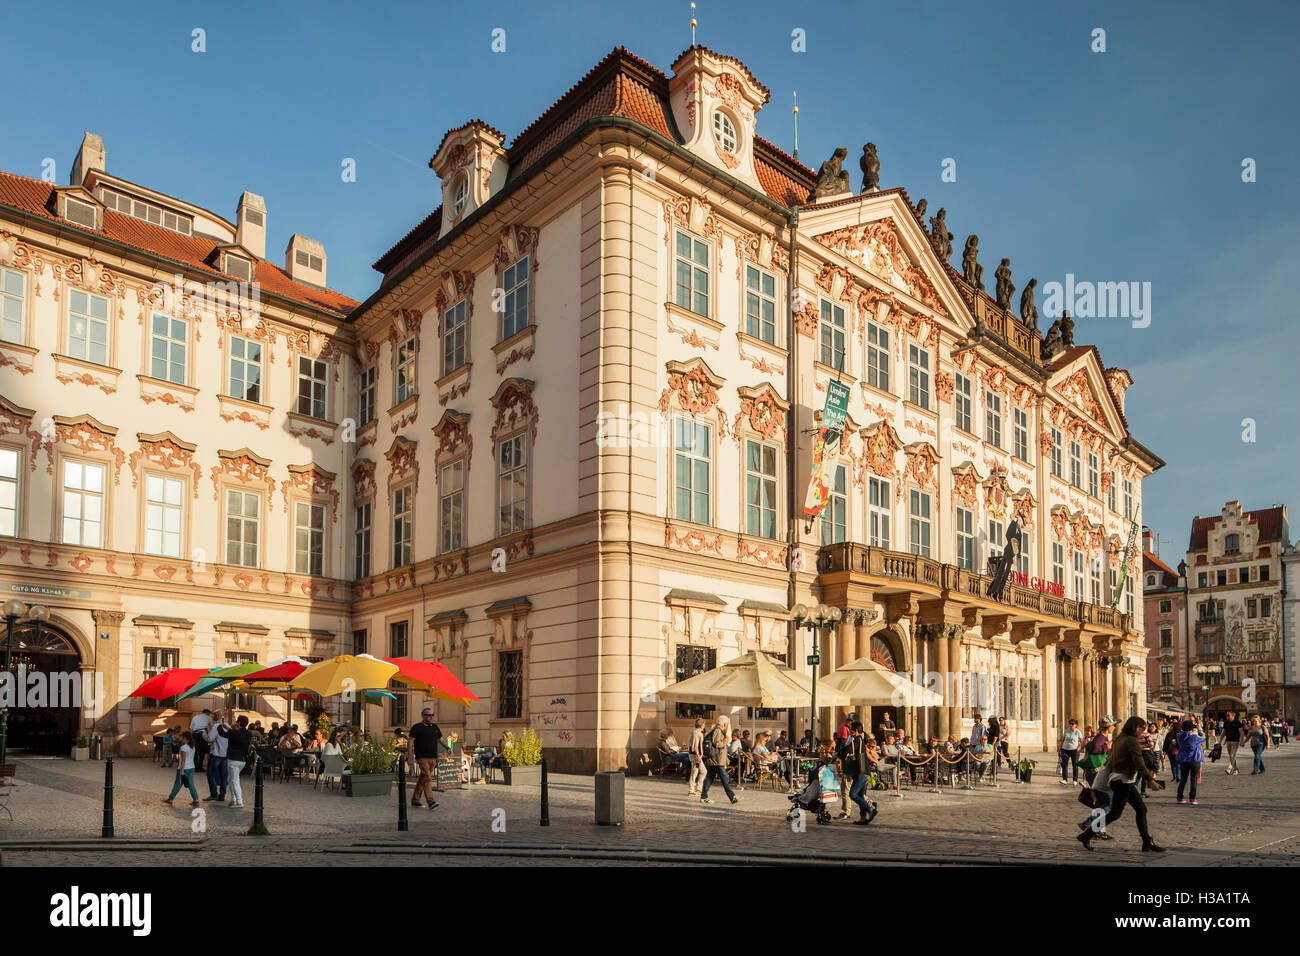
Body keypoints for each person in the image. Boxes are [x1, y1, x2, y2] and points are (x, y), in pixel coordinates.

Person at [1077, 717, 1165, 852]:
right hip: (1122, 781)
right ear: (1136, 728)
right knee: (1115, 813)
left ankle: (1147, 841)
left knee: (1140, 809)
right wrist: (1151, 780)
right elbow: (1139, 763)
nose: (1143, 732)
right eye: (1142, 729)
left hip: (1120, 780)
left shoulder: (1120, 738)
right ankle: (1086, 835)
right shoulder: (1132, 741)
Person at [700, 715, 741, 805]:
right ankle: (732, 797)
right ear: (725, 724)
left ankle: (703, 796)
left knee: (710, 778)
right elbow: (717, 744)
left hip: (714, 759)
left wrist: (725, 757)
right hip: (717, 760)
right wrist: (726, 740)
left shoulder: (716, 730)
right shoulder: (718, 731)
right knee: (725, 778)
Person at [844, 722, 879, 825]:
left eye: (851, 730)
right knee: (861, 795)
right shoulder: (860, 740)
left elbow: (848, 749)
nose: (849, 732)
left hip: (862, 772)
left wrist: (839, 753)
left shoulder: (858, 740)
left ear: (855, 730)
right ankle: (863, 817)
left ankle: (870, 809)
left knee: (853, 794)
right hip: (865, 772)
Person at [409, 708, 442, 809]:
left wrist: (448, 748)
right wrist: (410, 756)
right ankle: (430, 801)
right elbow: (410, 742)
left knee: (423, 778)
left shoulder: (435, 727)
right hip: (422, 756)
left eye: (432, 715)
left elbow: (440, 739)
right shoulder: (417, 727)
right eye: (428, 715)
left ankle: (415, 800)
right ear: (423, 716)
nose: (431, 717)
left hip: (432, 757)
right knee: (427, 777)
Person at [220, 715, 253, 808]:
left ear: (238, 723)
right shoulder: (248, 733)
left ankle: (239, 801)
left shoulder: (234, 733)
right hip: (242, 760)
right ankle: (233, 799)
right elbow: (235, 733)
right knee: (231, 779)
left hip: (233, 759)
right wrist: (232, 728)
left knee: (234, 780)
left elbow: (222, 733)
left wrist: (222, 726)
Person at [162, 731, 201, 806]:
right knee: (191, 784)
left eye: (181, 737)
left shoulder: (184, 747)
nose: (180, 738)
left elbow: (183, 760)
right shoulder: (192, 747)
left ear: (185, 738)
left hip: (184, 768)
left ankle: (170, 799)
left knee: (177, 784)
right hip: (191, 767)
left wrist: (181, 771)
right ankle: (195, 799)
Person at [203, 710, 230, 802]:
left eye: (213, 715)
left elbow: (210, 739)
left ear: (216, 716)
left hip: (216, 753)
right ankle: (222, 795)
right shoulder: (227, 726)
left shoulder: (216, 726)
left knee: (210, 773)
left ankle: (214, 793)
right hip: (225, 754)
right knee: (223, 775)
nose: (211, 717)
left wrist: (204, 734)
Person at [1175, 719, 1204, 804]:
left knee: (1183, 779)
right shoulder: (1194, 737)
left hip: (1183, 760)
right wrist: (1199, 729)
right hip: (1194, 759)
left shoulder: (1179, 736)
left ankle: (1180, 797)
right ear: (1191, 728)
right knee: (1193, 779)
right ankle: (1192, 798)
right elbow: (1203, 738)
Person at [1083, 718, 1112, 785]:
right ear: (1108, 727)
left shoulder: (1101, 737)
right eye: (1114, 725)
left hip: (1095, 770)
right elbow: (1095, 749)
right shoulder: (1100, 737)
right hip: (1096, 771)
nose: (1114, 727)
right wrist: (1107, 747)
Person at [687, 718, 707, 796]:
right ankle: (692, 790)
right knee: (694, 772)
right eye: (704, 724)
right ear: (701, 725)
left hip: (697, 755)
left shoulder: (697, 733)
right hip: (695, 755)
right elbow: (695, 746)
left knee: (703, 771)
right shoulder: (696, 733)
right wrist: (698, 756)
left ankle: (698, 789)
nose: (704, 726)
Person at [1060, 718, 1083, 785]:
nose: (1071, 725)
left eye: (1072, 724)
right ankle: (1064, 779)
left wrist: (1079, 748)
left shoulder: (1078, 732)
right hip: (1065, 749)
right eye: (1070, 723)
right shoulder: (1066, 731)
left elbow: (1082, 742)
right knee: (1064, 765)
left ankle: (1075, 780)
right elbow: (1063, 740)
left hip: (1074, 750)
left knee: (1075, 765)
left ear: (1076, 725)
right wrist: (1060, 748)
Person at [1221, 711, 1244, 775]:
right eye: (1227, 715)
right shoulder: (1226, 723)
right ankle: (1236, 769)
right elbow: (1223, 732)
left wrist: (1241, 741)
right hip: (1228, 741)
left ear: (1233, 716)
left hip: (1235, 741)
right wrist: (1219, 741)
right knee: (1231, 757)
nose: (1227, 716)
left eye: (1228, 715)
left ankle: (1229, 768)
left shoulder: (1237, 722)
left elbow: (1241, 733)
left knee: (1232, 755)